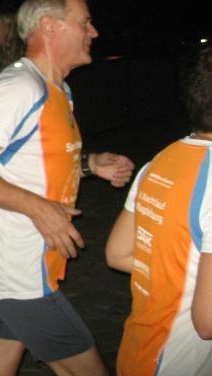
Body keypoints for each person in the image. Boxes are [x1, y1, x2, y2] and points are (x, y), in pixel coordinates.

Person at [0, 0, 135, 375]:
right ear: (49, 26)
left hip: (16, 274)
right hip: (20, 276)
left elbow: (31, 162)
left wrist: (90, 164)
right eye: (85, 22)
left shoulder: (58, 89)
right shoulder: (20, 86)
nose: (94, 31)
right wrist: (39, 209)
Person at [106, 46, 212, 375]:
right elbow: (207, 321)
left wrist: (180, 280)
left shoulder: (159, 161)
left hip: (137, 352)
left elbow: (117, 253)